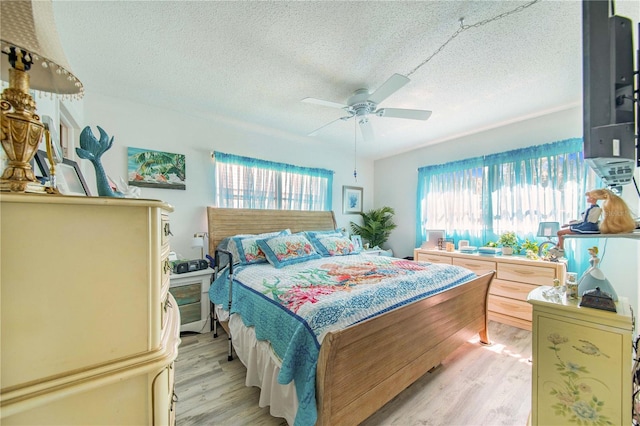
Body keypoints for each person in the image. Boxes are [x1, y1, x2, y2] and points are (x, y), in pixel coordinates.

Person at [548, 188, 636, 258]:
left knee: (561, 233)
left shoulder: (596, 209)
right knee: (562, 233)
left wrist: (574, 224)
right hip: (585, 225)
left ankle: (560, 249)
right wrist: (571, 223)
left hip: (587, 227)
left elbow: (589, 221)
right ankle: (558, 248)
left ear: (594, 198)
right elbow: (585, 219)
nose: (588, 199)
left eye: (589, 197)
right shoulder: (592, 208)